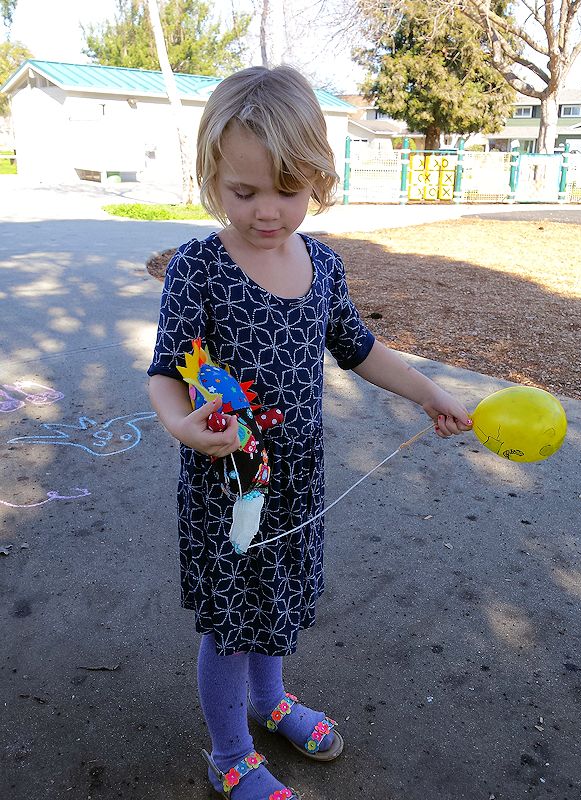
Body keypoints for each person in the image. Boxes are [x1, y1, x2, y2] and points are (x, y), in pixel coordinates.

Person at [148, 65, 472, 800]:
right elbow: (167, 371)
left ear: (318, 178)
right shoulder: (198, 269)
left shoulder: (322, 264)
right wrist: (180, 425)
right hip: (227, 489)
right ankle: (230, 755)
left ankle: (270, 701)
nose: (268, 211)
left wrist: (429, 393)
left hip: (296, 483)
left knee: (277, 602)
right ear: (211, 177)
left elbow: (358, 347)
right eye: (245, 192)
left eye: (288, 189)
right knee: (232, 623)